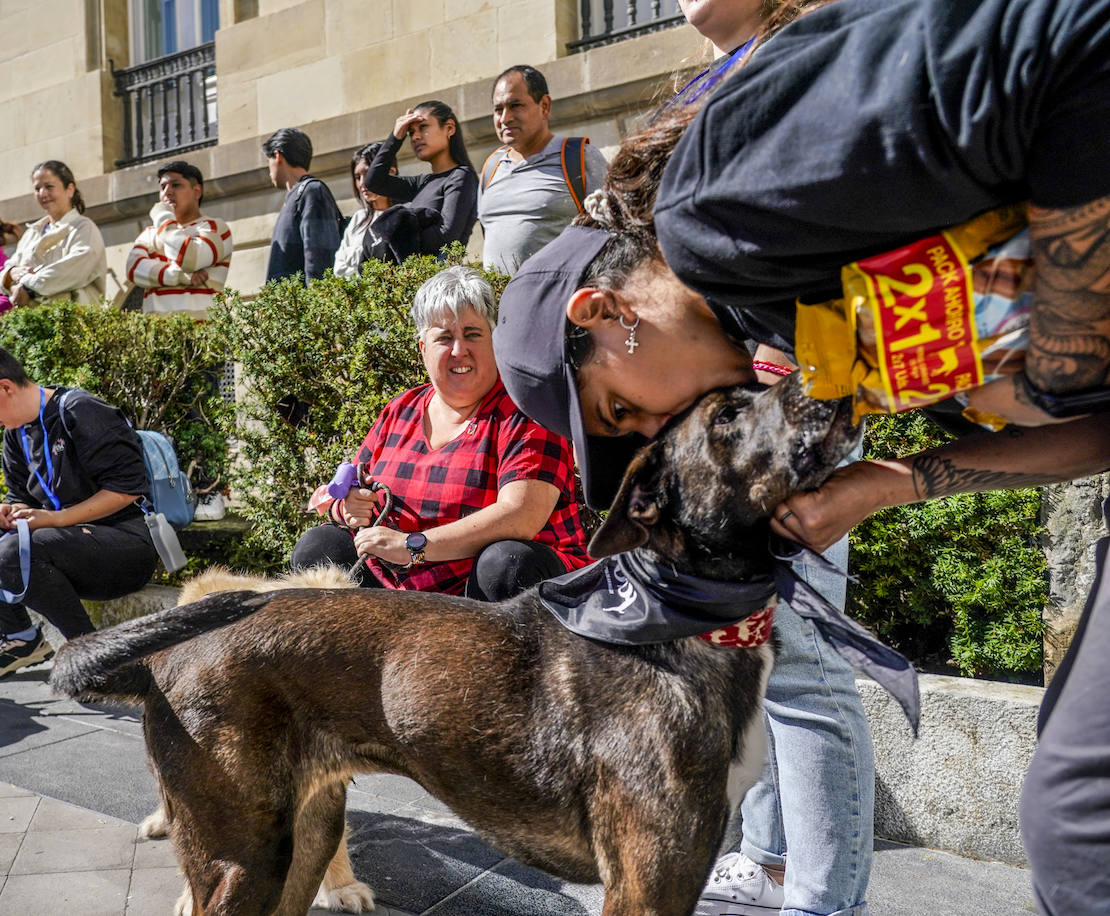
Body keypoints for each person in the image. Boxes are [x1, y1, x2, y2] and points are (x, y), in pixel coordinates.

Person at [640, 1, 1110, 911]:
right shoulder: (852, 321)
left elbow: (1080, 33)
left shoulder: (710, 211)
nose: (659, 428)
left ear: (612, 317)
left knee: (1081, 827)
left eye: (622, 410)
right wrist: (897, 482)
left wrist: (1060, 359)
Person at [290, 266, 591, 601]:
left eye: (473, 334)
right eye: (444, 338)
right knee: (320, 547)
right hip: (400, 583)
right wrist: (347, 506)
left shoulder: (526, 409)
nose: (459, 350)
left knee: (506, 564)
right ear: (423, 349)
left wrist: (413, 546)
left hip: (486, 587)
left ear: (495, 341)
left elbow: (521, 516)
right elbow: (350, 489)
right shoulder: (400, 409)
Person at [0, 338, 158, 683]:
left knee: (12, 554)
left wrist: (56, 519)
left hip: (125, 547)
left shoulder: (81, 411)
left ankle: (97, 661)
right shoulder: (16, 433)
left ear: (5, 387)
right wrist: (10, 510)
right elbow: (20, 495)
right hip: (65, 545)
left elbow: (128, 489)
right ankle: (21, 640)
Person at [478, 65, 608, 273]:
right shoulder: (491, 166)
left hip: (560, 301)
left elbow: (613, 234)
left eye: (515, 105)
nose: (504, 118)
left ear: (545, 106)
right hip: (498, 304)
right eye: (498, 109)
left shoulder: (580, 157)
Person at [364, 100, 479, 256]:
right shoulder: (421, 183)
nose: (415, 137)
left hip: (440, 277)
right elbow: (374, 182)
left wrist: (396, 234)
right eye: (411, 132)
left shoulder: (461, 176)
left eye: (423, 127)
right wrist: (396, 137)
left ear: (449, 128)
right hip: (415, 276)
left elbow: (446, 238)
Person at [125, 160, 233, 317]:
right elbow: (133, 269)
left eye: (175, 185)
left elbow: (191, 257)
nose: (167, 192)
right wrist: (180, 276)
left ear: (197, 191)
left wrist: (163, 217)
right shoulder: (149, 234)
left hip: (203, 338)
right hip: (158, 338)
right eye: (163, 187)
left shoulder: (214, 228)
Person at [0, 160, 106, 308]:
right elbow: (5, 273)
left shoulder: (84, 228)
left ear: (70, 189)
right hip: (33, 322)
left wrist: (27, 287)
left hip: (72, 321)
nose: (43, 194)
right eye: (37, 189)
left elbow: (70, 272)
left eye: (49, 187)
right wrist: (11, 274)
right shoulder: (31, 233)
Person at [263, 127, 343, 285]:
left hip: (303, 306)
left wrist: (316, 304)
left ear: (278, 156)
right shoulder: (298, 196)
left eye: (268, 160)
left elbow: (320, 261)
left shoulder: (312, 191)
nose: (269, 170)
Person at [333, 142, 393, 278]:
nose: (362, 183)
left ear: (391, 170)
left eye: (368, 173)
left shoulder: (406, 214)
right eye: (357, 177)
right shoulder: (358, 219)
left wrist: (355, 259)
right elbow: (338, 270)